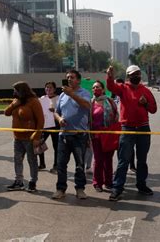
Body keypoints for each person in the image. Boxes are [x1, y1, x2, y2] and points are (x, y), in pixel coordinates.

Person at [106, 64, 157, 201]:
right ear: (128, 77)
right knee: (124, 160)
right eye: (133, 74)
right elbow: (111, 87)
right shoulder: (123, 89)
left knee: (142, 160)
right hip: (127, 128)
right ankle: (117, 188)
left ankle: (141, 185)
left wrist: (146, 103)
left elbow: (153, 109)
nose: (136, 76)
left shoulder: (145, 91)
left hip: (143, 129)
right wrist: (110, 76)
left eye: (138, 74)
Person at [52, 70, 91, 200]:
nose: (69, 79)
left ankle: (80, 189)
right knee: (61, 164)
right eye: (67, 77)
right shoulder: (62, 95)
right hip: (64, 135)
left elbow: (86, 105)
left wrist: (72, 94)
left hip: (79, 135)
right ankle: (60, 189)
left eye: (72, 77)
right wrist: (59, 119)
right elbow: (56, 112)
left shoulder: (84, 93)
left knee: (80, 164)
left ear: (78, 80)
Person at [4, 81, 44, 192]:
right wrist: (13, 105)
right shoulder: (17, 101)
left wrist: (37, 136)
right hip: (17, 137)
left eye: (15, 90)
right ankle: (18, 181)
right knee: (17, 160)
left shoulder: (34, 102)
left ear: (22, 90)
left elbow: (41, 120)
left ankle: (32, 182)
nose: (13, 92)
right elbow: (6, 113)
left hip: (30, 138)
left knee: (32, 160)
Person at [90, 81, 119, 192]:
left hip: (109, 134)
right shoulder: (91, 103)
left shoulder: (110, 101)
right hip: (96, 135)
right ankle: (97, 182)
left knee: (108, 159)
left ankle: (108, 182)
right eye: (93, 87)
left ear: (103, 89)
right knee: (98, 159)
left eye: (97, 87)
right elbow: (88, 120)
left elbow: (116, 115)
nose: (95, 89)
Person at [38, 81, 60, 173]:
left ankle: (56, 165)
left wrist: (54, 110)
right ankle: (42, 164)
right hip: (45, 125)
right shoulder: (43, 98)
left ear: (54, 89)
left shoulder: (59, 98)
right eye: (46, 87)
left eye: (50, 87)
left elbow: (62, 111)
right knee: (39, 143)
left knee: (56, 146)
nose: (48, 89)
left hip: (55, 125)